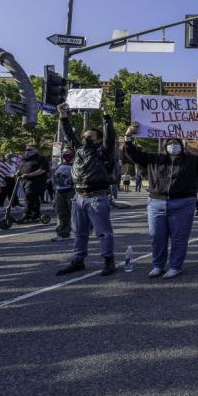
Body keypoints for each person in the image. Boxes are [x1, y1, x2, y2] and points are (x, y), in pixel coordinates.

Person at [123, 125, 198, 278]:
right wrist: (128, 138)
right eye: (170, 142)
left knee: (179, 238)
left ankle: (175, 267)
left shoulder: (191, 160)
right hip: (156, 203)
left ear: (181, 145)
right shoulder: (154, 159)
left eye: (176, 142)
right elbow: (134, 155)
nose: (173, 145)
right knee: (157, 237)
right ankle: (158, 266)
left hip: (183, 204)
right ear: (165, 145)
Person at [56, 102, 119, 277]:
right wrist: (63, 115)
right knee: (79, 232)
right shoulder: (79, 150)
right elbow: (69, 133)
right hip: (78, 197)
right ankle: (78, 260)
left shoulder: (104, 152)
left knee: (103, 232)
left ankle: (108, 260)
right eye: (85, 137)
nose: (86, 139)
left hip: (97, 198)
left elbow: (110, 135)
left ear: (99, 139)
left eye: (90, 137)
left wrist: (106, 114)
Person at [18, 145, 50, 222]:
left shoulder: (41, 158)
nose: (27, 151)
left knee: (29, 196)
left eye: (29, 149)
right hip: (25, 181)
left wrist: (29, 175)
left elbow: (43, 170)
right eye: (26, 149)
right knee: (32, 198)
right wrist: (17, 174)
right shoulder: (26, 159)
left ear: (36, 150)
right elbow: (22, 169)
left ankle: (26, 214)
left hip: (37, 182)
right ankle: (35, 214)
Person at [51, 150, 75, 241]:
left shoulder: (77, 165)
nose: (67, 156)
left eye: (69, 155)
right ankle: (63, 233)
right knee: (61, 213)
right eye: (65, 155)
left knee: (76, 213)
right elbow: (54, 178)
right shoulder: (59, 166)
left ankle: (85, 230)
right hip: (59, 192)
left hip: (72, 191)